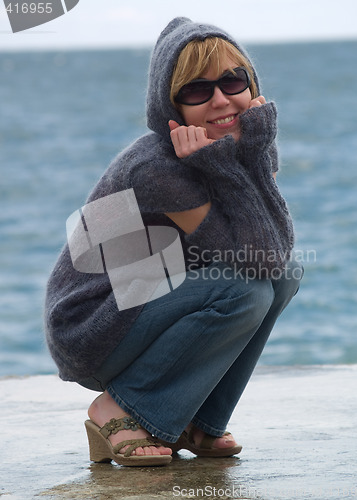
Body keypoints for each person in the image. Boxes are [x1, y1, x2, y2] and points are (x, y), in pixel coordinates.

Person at [45, 17, 302, 467]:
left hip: (145, 299)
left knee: (284, 277)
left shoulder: (239, 146)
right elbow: (257, 263)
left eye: (231, 81)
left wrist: (255, 156)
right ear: (171, 106)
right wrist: (223, 167)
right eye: (196, 90)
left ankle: (202, 421)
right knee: (244, 291)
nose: (221, 99)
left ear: (251, 84)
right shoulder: (157, 169)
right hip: (90, 324)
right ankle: (121, 406)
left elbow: (276, 259)